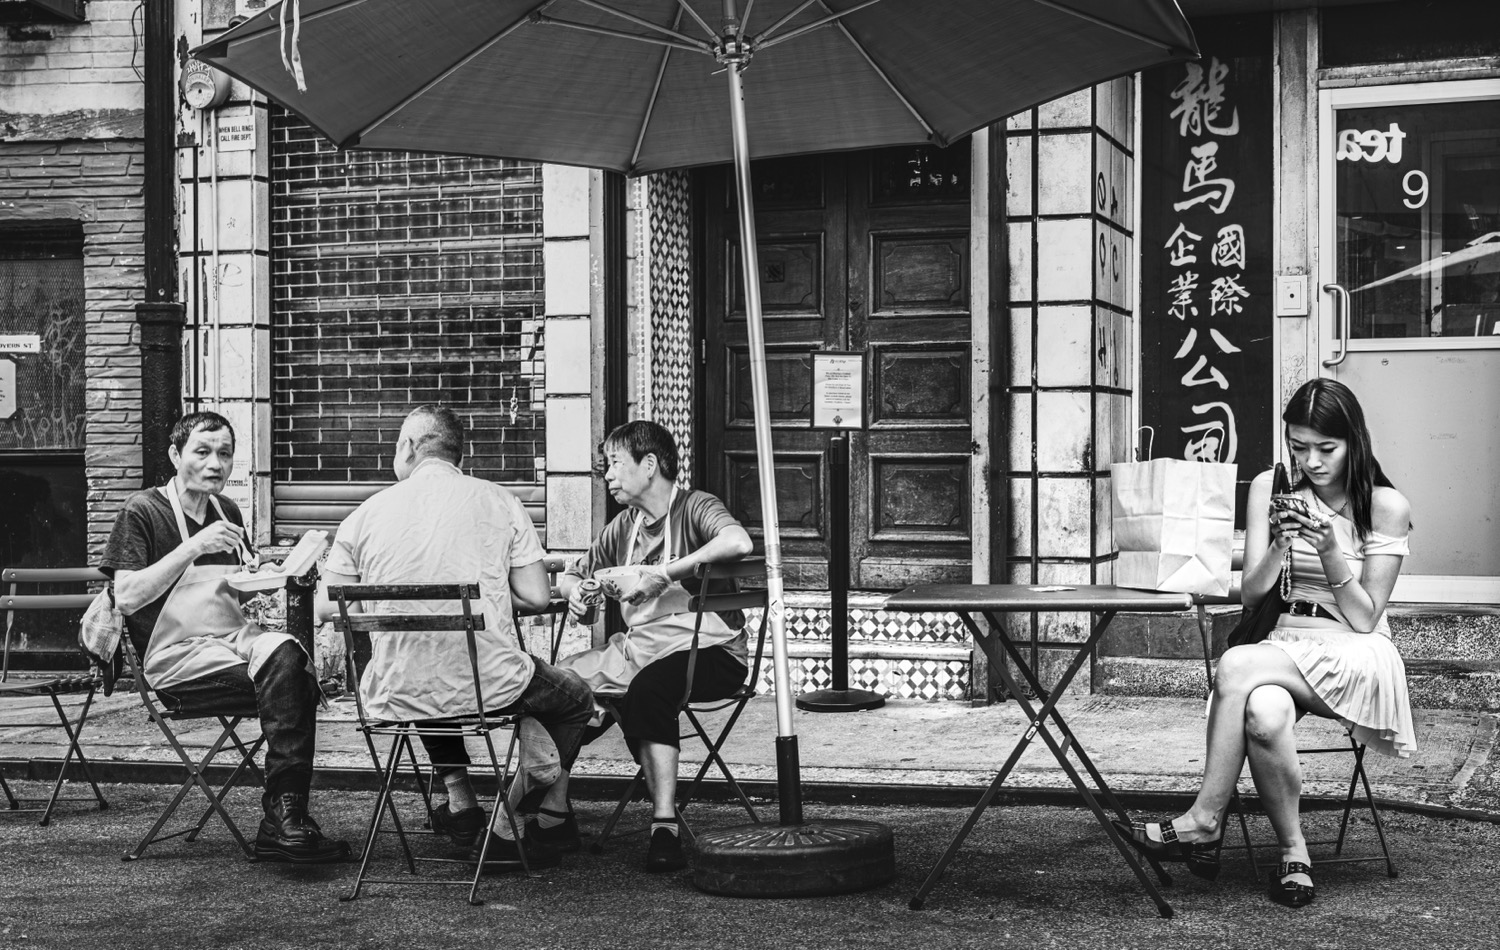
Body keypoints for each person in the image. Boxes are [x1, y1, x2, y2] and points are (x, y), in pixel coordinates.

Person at [1114, 379, 1414, 908]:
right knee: (1263, 712)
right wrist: (1279, 545)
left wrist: (1329, 552)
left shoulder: (1385, 505)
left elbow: (1367, 619)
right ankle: (1294, 853)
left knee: (1236, 666)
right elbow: (1253, 594)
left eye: (1327, 448)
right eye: (1300, 447)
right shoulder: (1269, 488)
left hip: (1353, 652)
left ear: (1354, 441)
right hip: (1279, 647)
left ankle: (1205, 819)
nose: (1313, 462)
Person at [315, 406, 594, 870]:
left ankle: (461, 801)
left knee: (426, 666)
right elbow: (538, 596)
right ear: (459, 454)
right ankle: (510, 823)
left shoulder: (364, 514)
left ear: (408, 447)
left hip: (392, 691)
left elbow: (328, 607)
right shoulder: (499, 500)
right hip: (492, 687)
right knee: (576, 698)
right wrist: (486, 589)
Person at [102, 411, 350, 863]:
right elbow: (126, 597)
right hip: (177, 659)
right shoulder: (142, 511)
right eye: (202, 452)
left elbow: (237, 587)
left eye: (225, 453)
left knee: (289, 656)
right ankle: (285, 817)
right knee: (292, 679)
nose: (215, 463)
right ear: (176, 455)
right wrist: (194, 546)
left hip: (231, 642)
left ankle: (285, 813)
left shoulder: (227, 511)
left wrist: (275, 575)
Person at [553, 420, 754, 873]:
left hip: (712, 651)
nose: (607, 476)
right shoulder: (623, 526)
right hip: (641, 648)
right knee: (558, 687)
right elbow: (573, 574)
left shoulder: (696, 506)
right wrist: (577, 595)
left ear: (650, 465)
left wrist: (664, 573)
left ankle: (664, 823)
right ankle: (553, 812)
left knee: (647, 691)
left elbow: (737, 541)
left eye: (615, 465)